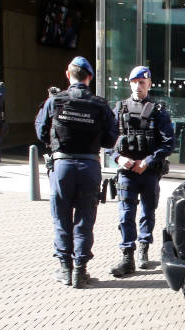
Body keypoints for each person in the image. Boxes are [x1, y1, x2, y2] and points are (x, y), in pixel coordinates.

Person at [35, 56, 117, 288]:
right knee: (85, 219)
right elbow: (111, 139)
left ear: (68, 74)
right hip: (89, 166)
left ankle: (64, 268)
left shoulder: (55, 100)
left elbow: (41, 132)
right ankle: (80, 271)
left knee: (61, 218)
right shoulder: (100, 104)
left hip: (62, 166)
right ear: (89, 77)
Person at [107, 66, 174, 277]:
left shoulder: (159, 110)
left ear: (149, 84)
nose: (138, 86)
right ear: (129, 83)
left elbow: (168, 143)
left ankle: (144, 248)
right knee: (126, 213)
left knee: (147, 211)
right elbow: (107, 140)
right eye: (134, 82)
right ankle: (127, 256)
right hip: (126, 171)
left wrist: (148, 161)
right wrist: (119, 158)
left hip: (149, 171)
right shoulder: (119, 109)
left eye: (142, 82)